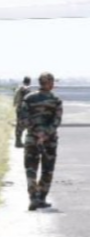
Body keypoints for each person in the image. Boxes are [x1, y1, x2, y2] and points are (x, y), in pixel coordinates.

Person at [19, 72, 62, 211]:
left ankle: (33, 198)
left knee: (31, 169)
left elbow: (23, 118)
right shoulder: (56, 100)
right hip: (49, 140)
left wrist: (36, 132)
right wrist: (45, 134)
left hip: (32, 138)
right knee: (47, 169)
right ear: (49, 83)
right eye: (52, 81)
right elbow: (56, 121)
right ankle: (42, 198)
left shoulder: (28, 98)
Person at [12, 76, 31, 148]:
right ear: (29, 82)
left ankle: (18, 141)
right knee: (27, 125)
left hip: (19, 108)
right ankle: (26, 142)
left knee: (19, 125)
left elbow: (16, 99)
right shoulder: (27, 89)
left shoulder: (19, 88)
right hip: (25, 109)